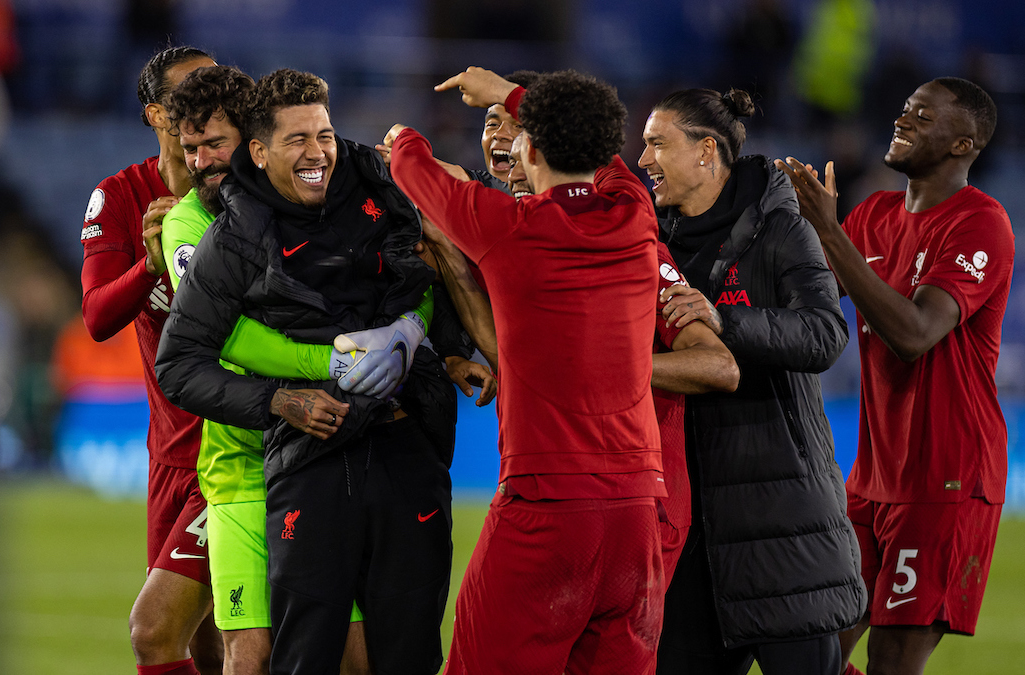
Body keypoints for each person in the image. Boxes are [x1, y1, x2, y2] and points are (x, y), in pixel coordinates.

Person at [155, 68, 454, 675]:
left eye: (325, 134)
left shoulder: (376, 185)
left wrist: (414, 335)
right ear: (260, 153)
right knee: (300, 655)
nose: (318, 151)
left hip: (405, 450)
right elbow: (180, 362)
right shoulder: (228, 237)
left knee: (411, 651)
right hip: (303, 459)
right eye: (298, 140)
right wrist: (281, 400)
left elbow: (427, 269)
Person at [389, 67, 667, 674]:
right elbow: (606, 159)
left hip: (548, 511)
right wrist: (510, 95)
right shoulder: (633, 212)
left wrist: (403, 133)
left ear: (530, 148)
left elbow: (410, 166)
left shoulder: (505, 226)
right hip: (638, 517)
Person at [777, 77, 1013, 675]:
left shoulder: (979, 223)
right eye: (904, 109)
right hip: (871, 477)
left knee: (889, 663)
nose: (903, 120)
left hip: (945, 478)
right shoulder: (875, 214)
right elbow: (805, 301)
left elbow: (913, 334)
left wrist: (829, 231)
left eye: (923, 116)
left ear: (963, 144)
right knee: (810, 651)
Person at [638, 87, 866, 675]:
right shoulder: (647, 240)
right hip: (686, 526)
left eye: (656, 144)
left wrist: (723, 318)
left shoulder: (781, 231)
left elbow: (824, 334)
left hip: (780, 518)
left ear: (706, 151)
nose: (643, 160)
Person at [79, 45, 221, 675]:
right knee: (207, 647)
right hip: (170, 456)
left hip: (234, 449)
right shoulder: (119, 197)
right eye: (193, 90)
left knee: (154, 632)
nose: (211, 97)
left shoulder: (245, 192)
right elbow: (99, 317)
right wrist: (150, 265)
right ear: (156, 114)